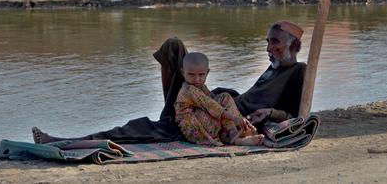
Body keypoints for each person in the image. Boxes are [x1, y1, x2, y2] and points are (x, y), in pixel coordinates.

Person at [32, 21, 306, 144]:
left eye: (275, 43)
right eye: (268, 41)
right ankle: (171, 112)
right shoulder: (274, 68)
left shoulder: (297, 71)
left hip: (218, 118)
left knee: (137, 128)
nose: (268, 47)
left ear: (294, 46)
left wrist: (270, 113)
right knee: (174, 47)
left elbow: (295, 115)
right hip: (216, 102)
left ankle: (64, 142)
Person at [175, 52, 263, 146]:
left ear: (207, 72)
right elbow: (210, 106)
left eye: (201, 75)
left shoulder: (201, 87)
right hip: (195, 128)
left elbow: (214, 100)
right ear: (183, 73)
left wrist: (240, 118)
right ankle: (233, 136)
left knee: (225, 97)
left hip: (209, 124)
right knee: (219, 110)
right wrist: (235, 118)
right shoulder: (189, 90)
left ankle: (233, 135)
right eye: (191, 75)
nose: (197, 79)